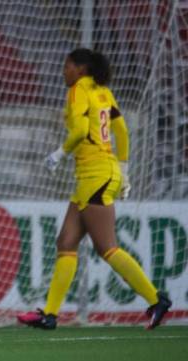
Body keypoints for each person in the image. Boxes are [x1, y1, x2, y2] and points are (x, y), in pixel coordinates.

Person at [17, 48, 172, 330]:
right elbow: (122, 131)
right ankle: (49, 314)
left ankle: (155, 299)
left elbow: (79, 131)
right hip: (100, 173)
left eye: (67, 66)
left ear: (80, 69)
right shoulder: (103, 91)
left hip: (94, 174)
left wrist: (58, 153)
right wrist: (123, 172)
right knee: (66, 242)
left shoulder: (78, 90)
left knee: (107, 248)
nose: (64, 71)